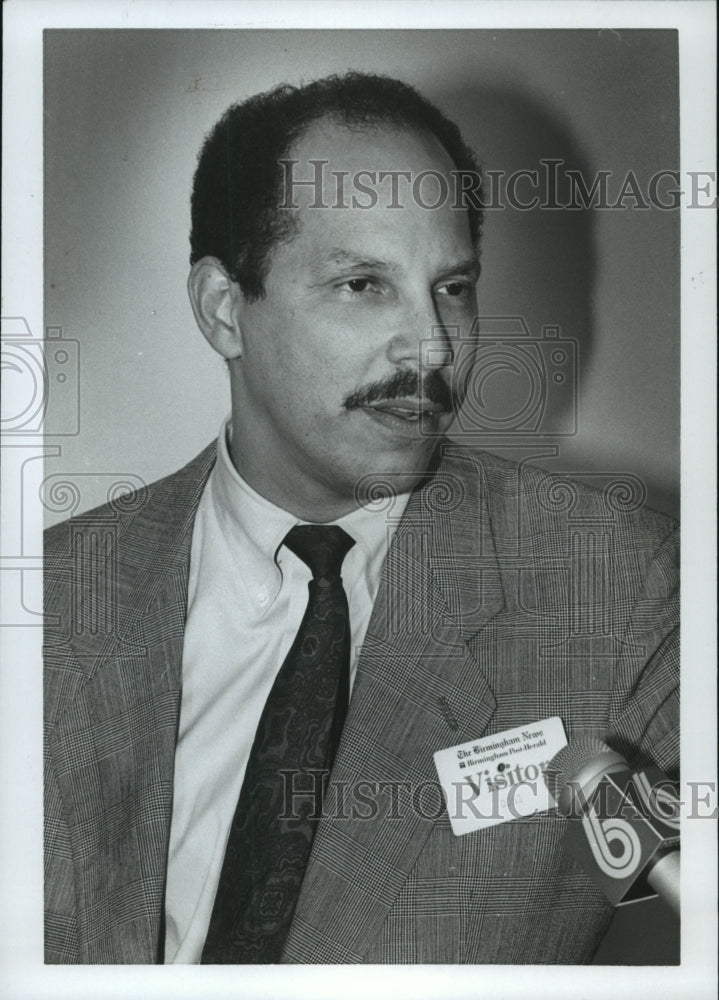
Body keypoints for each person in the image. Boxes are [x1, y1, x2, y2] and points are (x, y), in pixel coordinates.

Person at [44, 72, 679, 965]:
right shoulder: (50, 602)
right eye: (362, 285)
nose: (432, 346)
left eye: (451, 287)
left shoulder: (619, 585)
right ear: (224, 309)